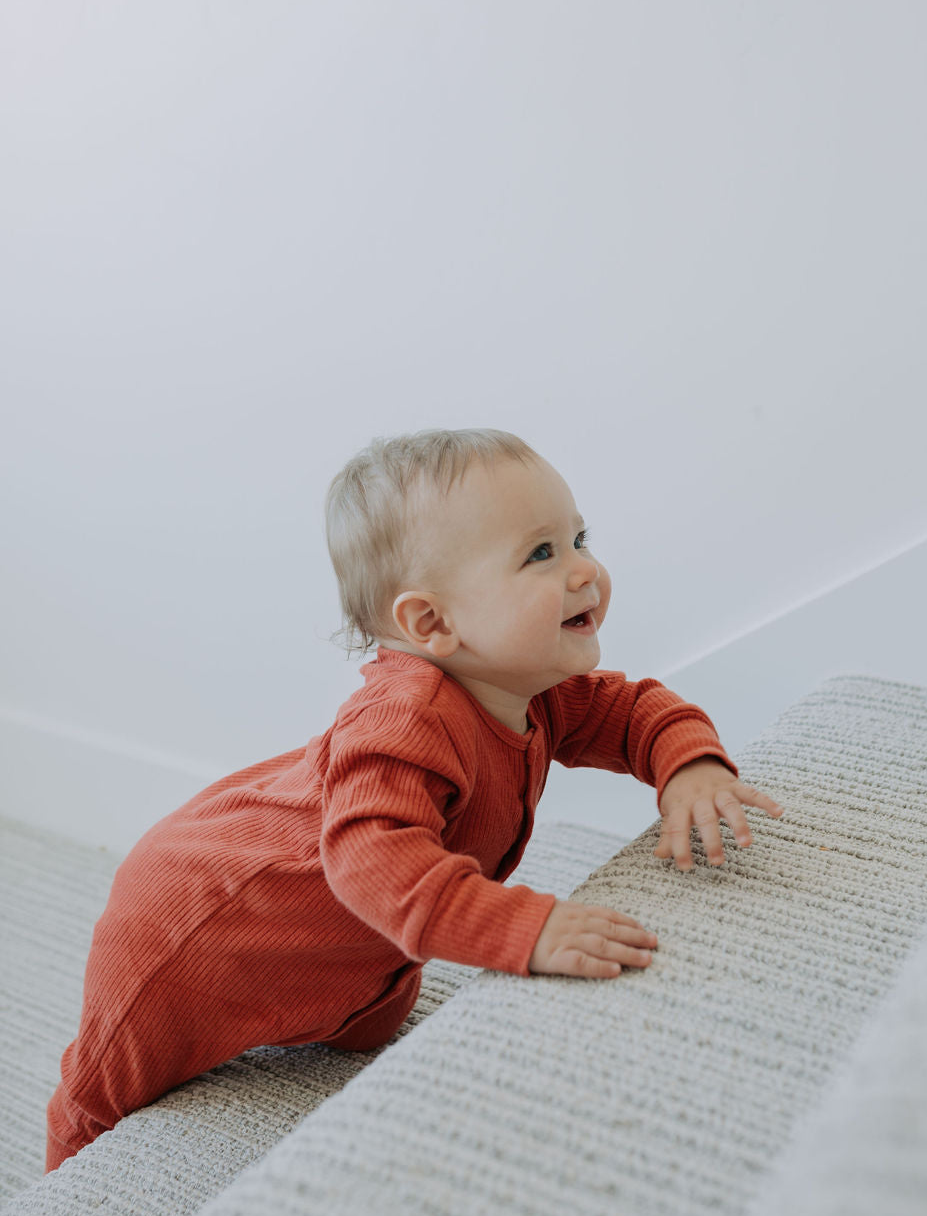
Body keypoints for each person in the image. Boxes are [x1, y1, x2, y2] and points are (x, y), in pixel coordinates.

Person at [46, 428, 784, 1171]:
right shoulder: (405, 720)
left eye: (579, 537)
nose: (586, 570)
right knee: (106, 1089)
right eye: (541, 554)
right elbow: (374, 862)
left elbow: (632, 713)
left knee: (371, 1016)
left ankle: (344, 1003)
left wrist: (688, 766)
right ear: (431, 624)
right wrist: (526, 928)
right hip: (196, 915)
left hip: (341, 933)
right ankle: (57, 1183)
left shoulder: (532, 684)